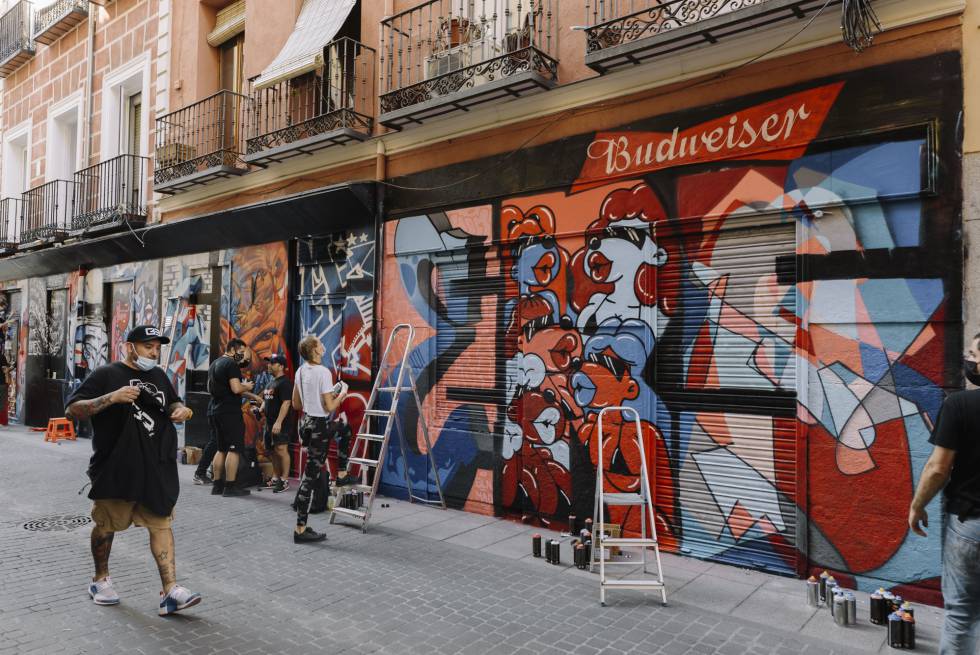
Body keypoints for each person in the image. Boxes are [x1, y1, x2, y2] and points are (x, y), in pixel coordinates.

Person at [65, 325, 201, 616]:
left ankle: (171, 591)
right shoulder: (106, 375)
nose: (154, 352)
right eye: (148, 346)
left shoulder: (159, 375)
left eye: (157, 347)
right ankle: (100, 580)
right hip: (116, 466)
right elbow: (72, 409)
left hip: (155, 468)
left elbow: (173, 401)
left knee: (161, 524)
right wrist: (111, 398)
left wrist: (183, 410)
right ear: (130, 347)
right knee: (106, 526)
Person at [909, 332, 980, 654]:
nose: (969, 358)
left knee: (961, 614)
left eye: (973, 353)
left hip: (971, 525)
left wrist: (917, 505)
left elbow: (938, 468)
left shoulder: (960, 404)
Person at [291, 335, 349, 543]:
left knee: (310, 474)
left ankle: (301, 527)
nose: (323, 345)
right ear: (315, 350)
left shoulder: (300, 371)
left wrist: (319, 398)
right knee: (309, 477)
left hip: (306, 425)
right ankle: (300, 529)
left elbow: (296, 404)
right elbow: (330, 407)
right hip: (319, 427)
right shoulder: (323, 372)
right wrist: (342, 393)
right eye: (319, 343)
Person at [206, 338, 254, 497]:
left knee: (221, 449)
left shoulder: (215, 363)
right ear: (233, 350)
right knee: (234, 449)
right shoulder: (231, 364)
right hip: (230, 412)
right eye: (240, 352)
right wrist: (246, 386)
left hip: (216, 410)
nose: (242, 356)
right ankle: (230, 487)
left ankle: (217, 485)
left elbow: (209, 387)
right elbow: (236, 388)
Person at [261, 354, 293, 493]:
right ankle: (275, 478)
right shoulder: (271, 382)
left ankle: (285, 480)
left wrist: (279, 422)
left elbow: (287, 403)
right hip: (269, 423)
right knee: (272, 451)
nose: (269, 365)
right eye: (269, 363)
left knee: (281, 450)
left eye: (272, 363)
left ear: (281, 366)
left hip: (280, 424)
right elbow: (267, 400)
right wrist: (261, 407)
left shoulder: (285, 383)